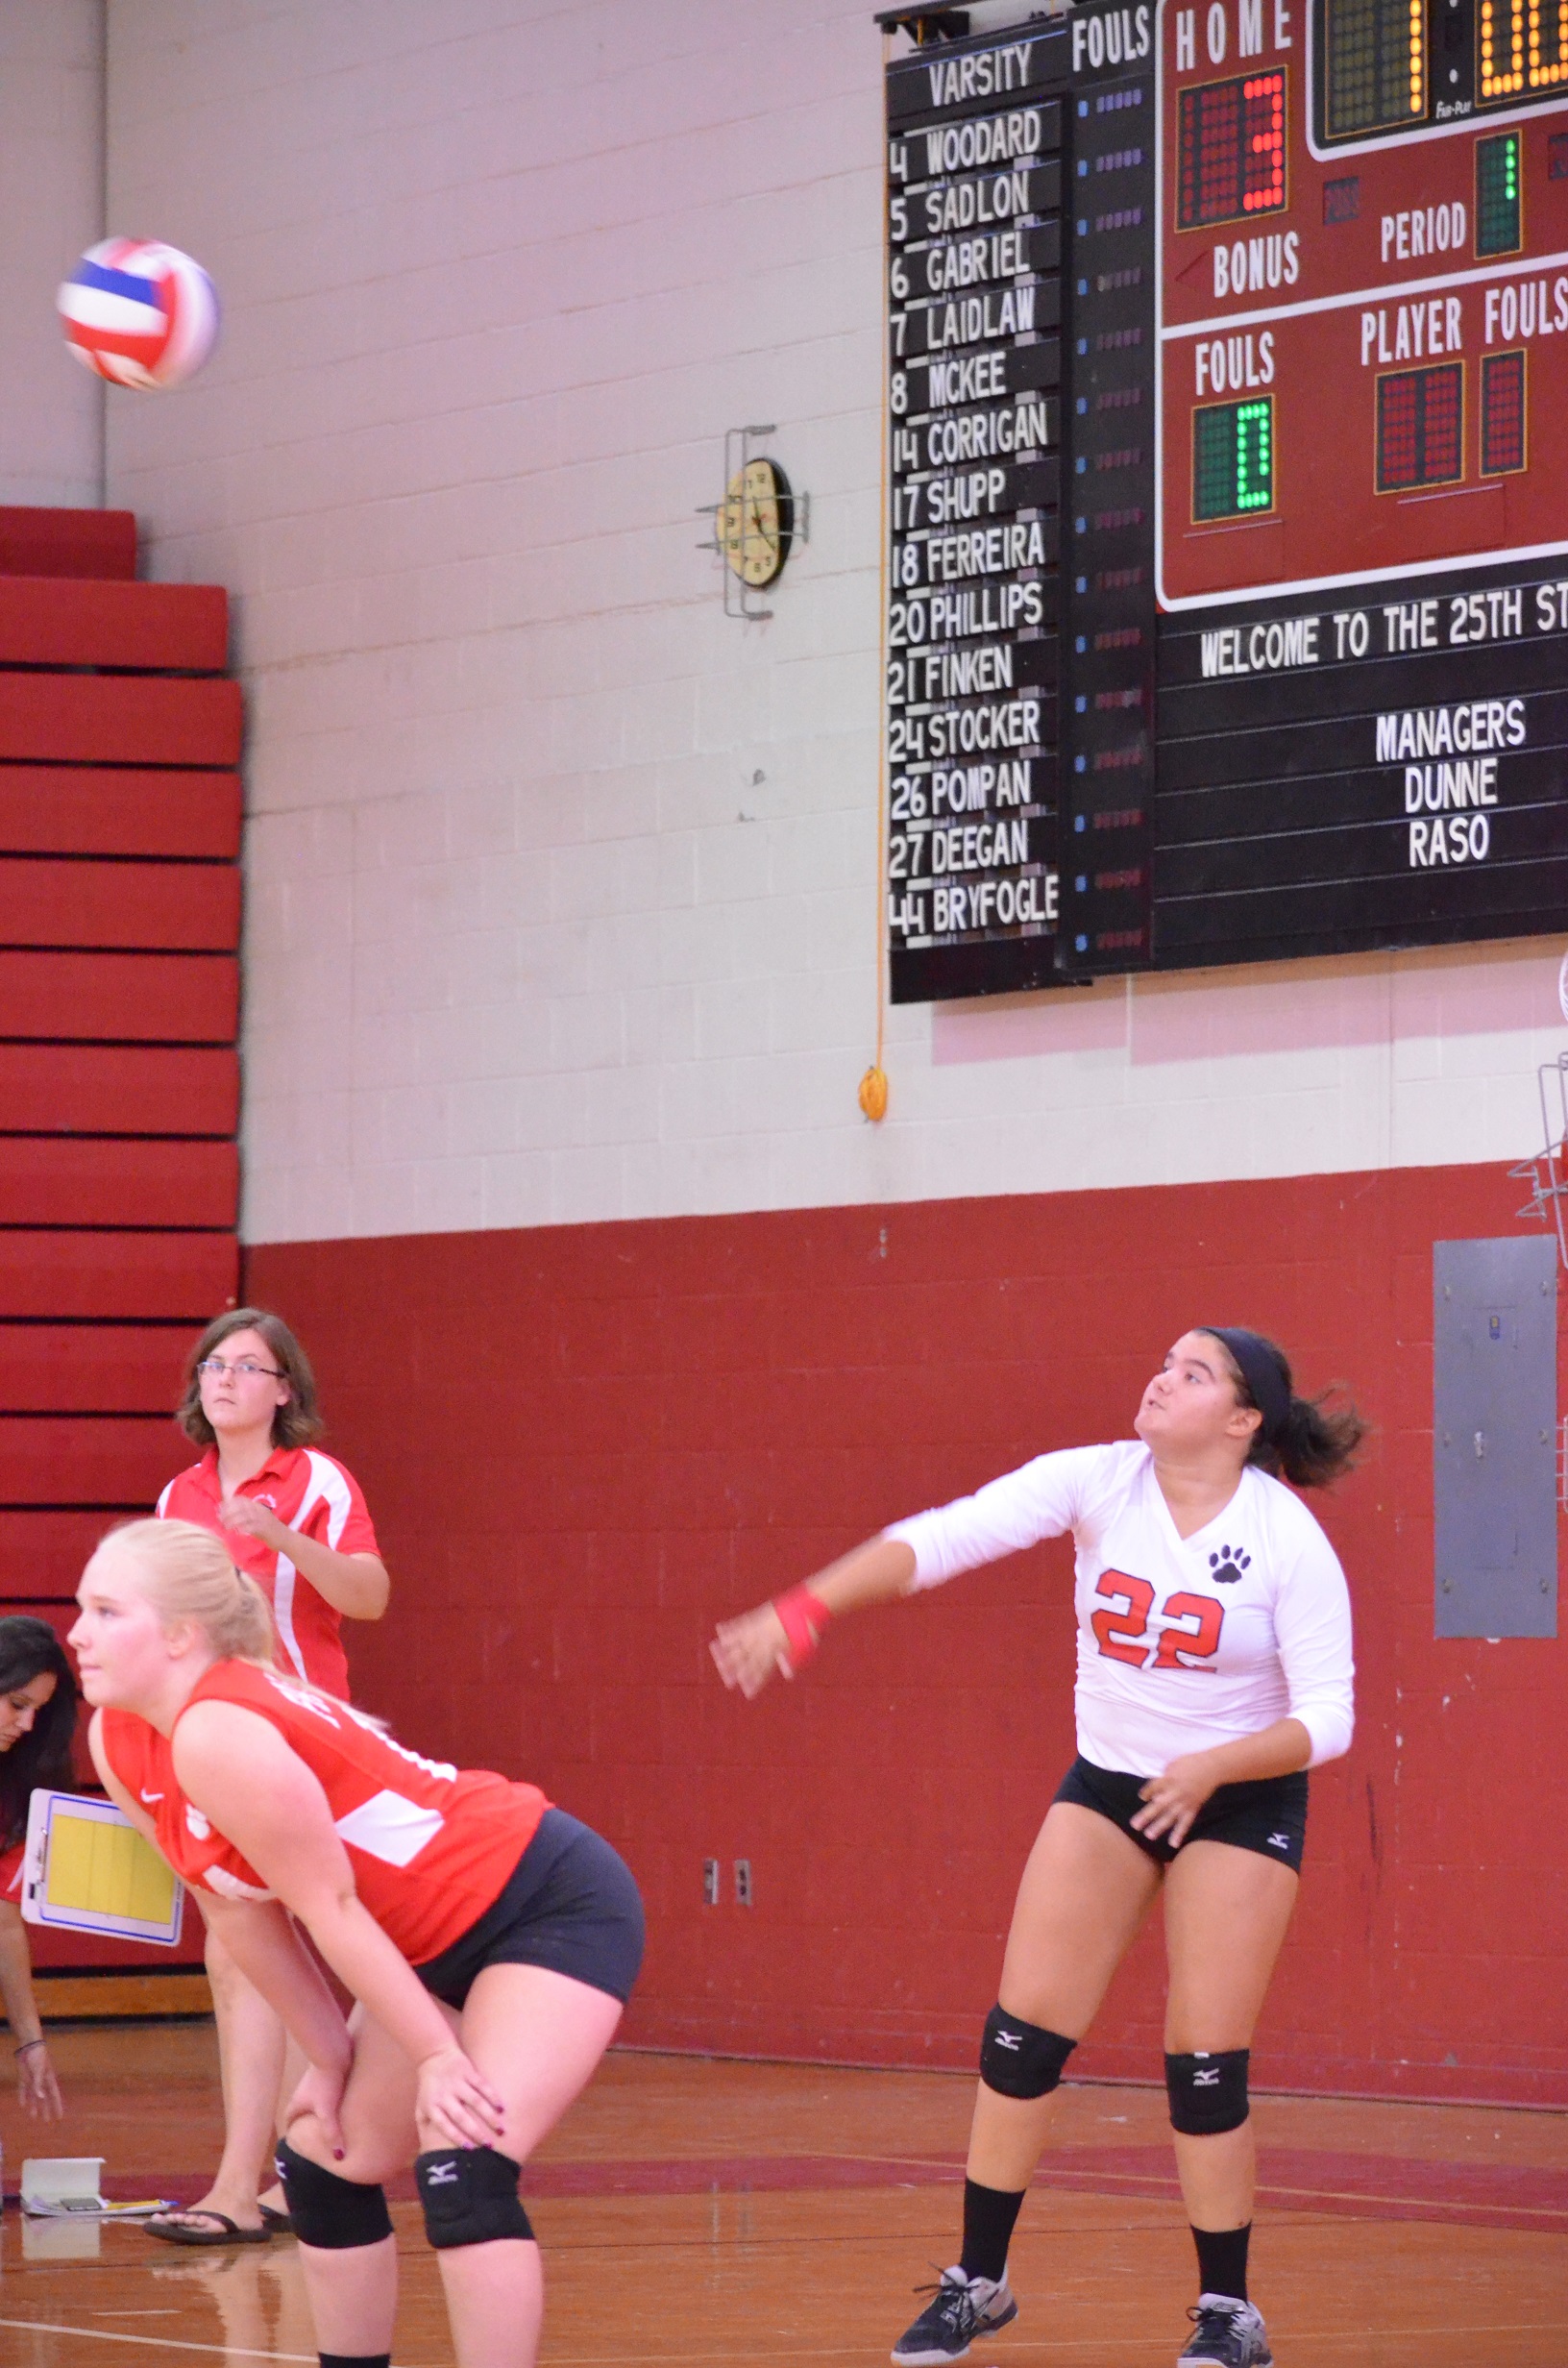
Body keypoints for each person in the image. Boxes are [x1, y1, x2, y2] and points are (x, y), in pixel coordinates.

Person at [712, 1327, 1362, 2368]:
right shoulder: (1098, 1479)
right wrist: (807, 1605)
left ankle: (1228, 2313)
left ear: (1244, 1421)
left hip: (1238, 1799)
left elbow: (1329, 1717)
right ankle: (979, 2283)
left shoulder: (1286, 1537)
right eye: (1166, 1361)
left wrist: (1214, 1765)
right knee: (1020, 2040)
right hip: (1111, 1784)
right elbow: (944, 1537)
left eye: (1194, 1373)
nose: (1162, 1378)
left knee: (1203, 2062)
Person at [74, 1517, 642, 2368]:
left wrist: (436, 2058)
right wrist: (330, 2059)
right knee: (321, 2160)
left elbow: (331, 1905)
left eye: (108, 1612)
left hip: (542, 1901)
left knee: (464, 2161)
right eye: (83, 1608)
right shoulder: (119, 1736)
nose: (78, 1634)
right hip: (430, 1943)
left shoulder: (220, 1731)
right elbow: (235, 1913)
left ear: (182, 1634)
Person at [150, 1308, 391, 2247]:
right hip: (216, 1740)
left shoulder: (318, 1480)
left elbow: (370, 1595)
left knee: (270, 1948)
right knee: (243, 1952)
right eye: (214, 1364)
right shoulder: (178, 1497)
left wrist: (284, 1538)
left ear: (285, 1389)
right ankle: (261, 2179)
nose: (225, 1378)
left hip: (303, 1736)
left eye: (248, 1366)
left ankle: (279, 2176)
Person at [0, 1616, 78, 2121]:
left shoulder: (15, 1792)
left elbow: (3, 1921)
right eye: (16, 1704)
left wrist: (30, 2040)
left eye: (38, 1711)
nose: (26, 1725)